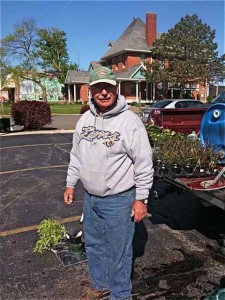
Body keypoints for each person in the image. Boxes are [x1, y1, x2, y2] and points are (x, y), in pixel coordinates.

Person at [64, 66, 154, 300]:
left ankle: (121, 295)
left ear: (116, 88)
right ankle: (101, 284)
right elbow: (76, 155)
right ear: (90, 90)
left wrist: (141, 199)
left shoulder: (130, 122)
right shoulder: (84, 119)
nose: (103, 93)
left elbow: (143, 163)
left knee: (119, 252)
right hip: (91, 198)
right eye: (98, 88)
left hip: (119, 200)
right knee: (93, 244)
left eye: (108, 87)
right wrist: (70, 183)